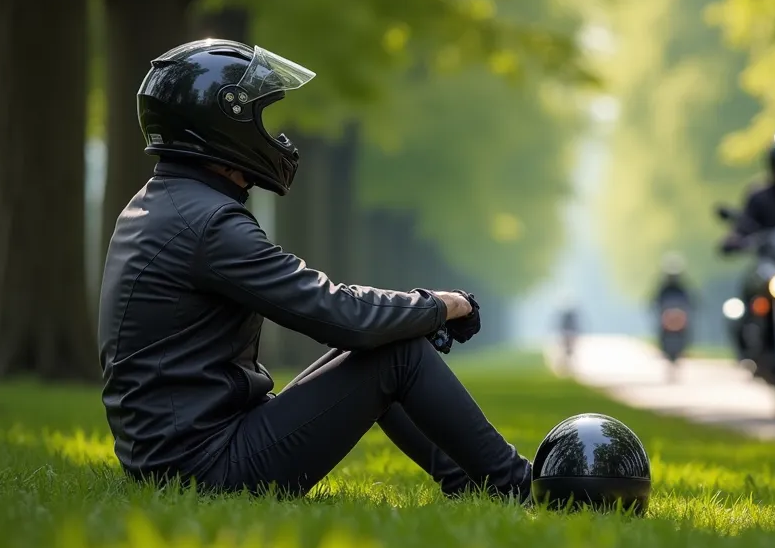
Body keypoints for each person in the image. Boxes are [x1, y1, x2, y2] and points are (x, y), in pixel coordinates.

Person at [98, 39, 531, 500]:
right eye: (262, 116)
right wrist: (441, 305)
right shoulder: (210, 223)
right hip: (205, 468)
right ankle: (516, 485)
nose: (276, 137)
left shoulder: (161, 204)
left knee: (390, 342)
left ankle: (473, 481)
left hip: (174, 458)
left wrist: (412, 315)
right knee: (396, 354)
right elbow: (337, 313)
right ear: (227, 121)